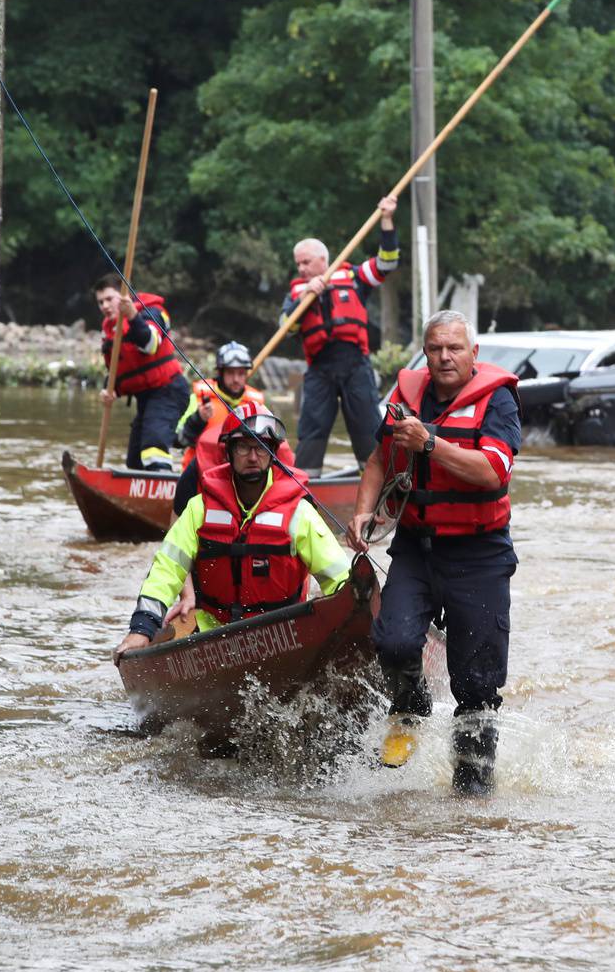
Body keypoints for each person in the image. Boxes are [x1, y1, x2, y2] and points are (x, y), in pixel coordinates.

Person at [350, 310, 520, 797]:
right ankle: (410, 707)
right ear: (424, 353)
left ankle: (472, 796)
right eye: (434, 349)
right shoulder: (404, 398)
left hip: (480, 555)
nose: (444, 357)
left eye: (454, 349)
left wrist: (429, 444)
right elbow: (379, 459)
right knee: (395, 641)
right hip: (417, 548)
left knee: (477, 683)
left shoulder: (498, 401)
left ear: (473, 354)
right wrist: (364, 513)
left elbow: (493, 472)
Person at [116, 412, 352, 651]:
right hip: (212, 636)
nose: (252, 457)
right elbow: (165, 571)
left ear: (273, 454)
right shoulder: (199, 508)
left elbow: (339, 579)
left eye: (261, 448)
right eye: (243, 447)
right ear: (228, 452)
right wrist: (141, 629)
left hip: (284, 636)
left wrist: (351, 623)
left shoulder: (300, 513)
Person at [285, 196, 400, 472]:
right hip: (319, 370)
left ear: (323, 260)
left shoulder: (354, 277)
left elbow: (387, 262)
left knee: (367, 429)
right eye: (298, 264)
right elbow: (287, 328)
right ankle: (304, 488)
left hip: (355, 366)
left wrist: (386, 220)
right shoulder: (297, 294)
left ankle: (377, 483)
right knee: (311, 431)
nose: (301, 268)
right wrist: (306, 300)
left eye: (306, 262)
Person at [93, 273, 186, 472]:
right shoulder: (109, 328)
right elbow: (120, 369)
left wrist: (133, 317)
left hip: (169, 390)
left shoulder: (153, 311)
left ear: (125, 295)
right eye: (101, 302)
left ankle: (164, 485)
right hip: (145, 397)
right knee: (134, 461)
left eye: (110, 299)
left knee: (154, 446)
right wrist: (109, 391)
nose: (105, 306)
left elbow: (150, 344)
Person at [169, 341, 271, 516]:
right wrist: (198, 419)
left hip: (242, 480)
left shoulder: (257, 403)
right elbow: (178, 441)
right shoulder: (199, 400)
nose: (236, 379)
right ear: (221, 373)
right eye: (231, 373)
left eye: (241, 373)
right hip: (199, 475)